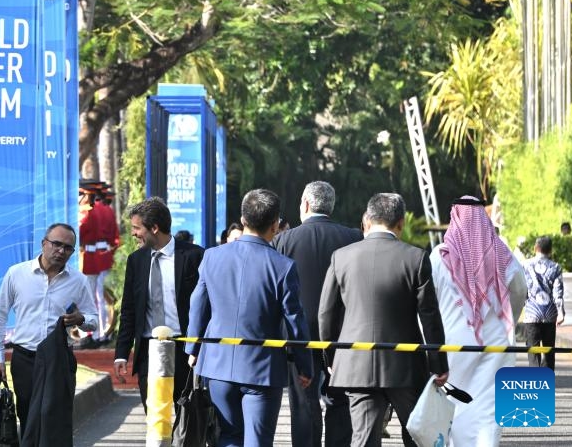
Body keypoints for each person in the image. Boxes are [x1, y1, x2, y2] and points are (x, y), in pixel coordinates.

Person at [319, 193, 448, 447]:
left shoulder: (341, 257)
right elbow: (429, 315)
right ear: (400, 223)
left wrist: (332, 357)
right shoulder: (415, 258)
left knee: (364, 438)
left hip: (356, 364)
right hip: (405, 366)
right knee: (417, 435)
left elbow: (326, 313)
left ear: (368, 219)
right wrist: (438, 362)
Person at [186, 189, 313, 446]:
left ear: (243, 219)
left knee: (228, 437)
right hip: (262, 369)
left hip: (218, 365)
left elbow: (198, 305)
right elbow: (294, 320)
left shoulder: (212, 257)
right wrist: (304, 365)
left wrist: (193, 347)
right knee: (258, 440)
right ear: (275, 225)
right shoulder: (283, 266)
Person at [429, 197, 525, 446]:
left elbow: (429, 302)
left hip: (454, 343)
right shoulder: (503, 255)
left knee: (454, 402)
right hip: (497, 343)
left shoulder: (439, 257)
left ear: (455, 217)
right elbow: (519, 291)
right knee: (489, 408)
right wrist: (508, 318)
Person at [273, 181, 362, 447]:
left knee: (303, 404)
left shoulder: (284, 240)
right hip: (344, 335)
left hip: (299, 336)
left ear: (306, 204)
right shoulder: (353, 238)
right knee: (341, 401)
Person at [0, 223, 97, 434]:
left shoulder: (78, 281)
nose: (61, 251)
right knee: (28, 417)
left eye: (68, 248)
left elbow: (93, 320)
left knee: (55, 419)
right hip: (25, 358)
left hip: (59, 359)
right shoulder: (16, 274)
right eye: (56, 244)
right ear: (43, 243)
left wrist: (80, 318)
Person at [114, 197, 205, 409]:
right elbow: (128, 311)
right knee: (154, 415)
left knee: (185, 416)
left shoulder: (194, 256)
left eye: (137, 228)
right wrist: (121, 354)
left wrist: (200, 348)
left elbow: (206, 308)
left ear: (154, 228)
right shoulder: (136, 261)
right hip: (148, 349)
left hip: (184, 348)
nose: (134, 233)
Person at [78, 185, 118, 346]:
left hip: (90, 257)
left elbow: (80, 231)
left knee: (91, 298)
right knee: (99, 297)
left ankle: (92, 334)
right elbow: (115, 236)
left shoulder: (88, 211)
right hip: (103, 256)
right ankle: (101, 333)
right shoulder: (108, 210)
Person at [523, 236, 565, 369]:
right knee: (548, 352)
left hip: (531, 314)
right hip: (549, 315)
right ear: (550, 250)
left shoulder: (525, 265)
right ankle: (546, 384)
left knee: (533, 352)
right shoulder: (556, 267)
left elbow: (522, 289)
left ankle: (535, 384)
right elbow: (558, 292)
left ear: (535, 248)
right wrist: (561, 313)